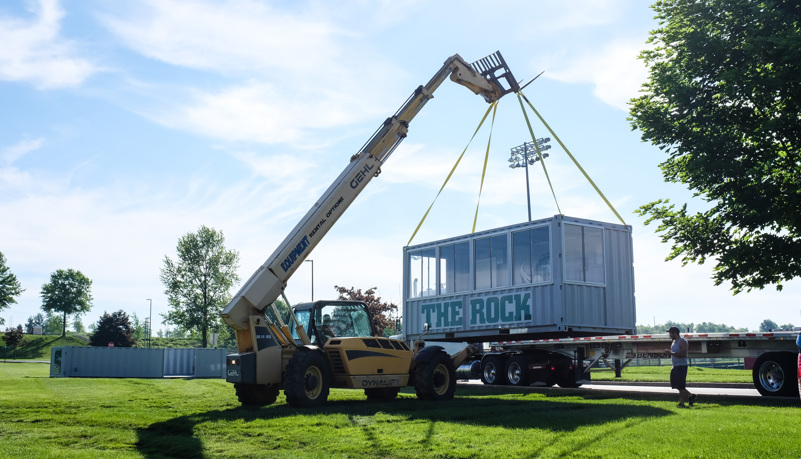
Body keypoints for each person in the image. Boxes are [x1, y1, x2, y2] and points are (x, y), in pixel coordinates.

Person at [666, 326, 697, 407]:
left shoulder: (683, 341)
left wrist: (671, 353)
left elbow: (683, 354)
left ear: (675, 333)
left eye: (670, 333)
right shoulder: (673, 342)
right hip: (675, 366)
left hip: (681, 366)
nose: (669, 335)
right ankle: (691, 396)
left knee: (681, 385)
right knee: (676, 385)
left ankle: (682, 403)